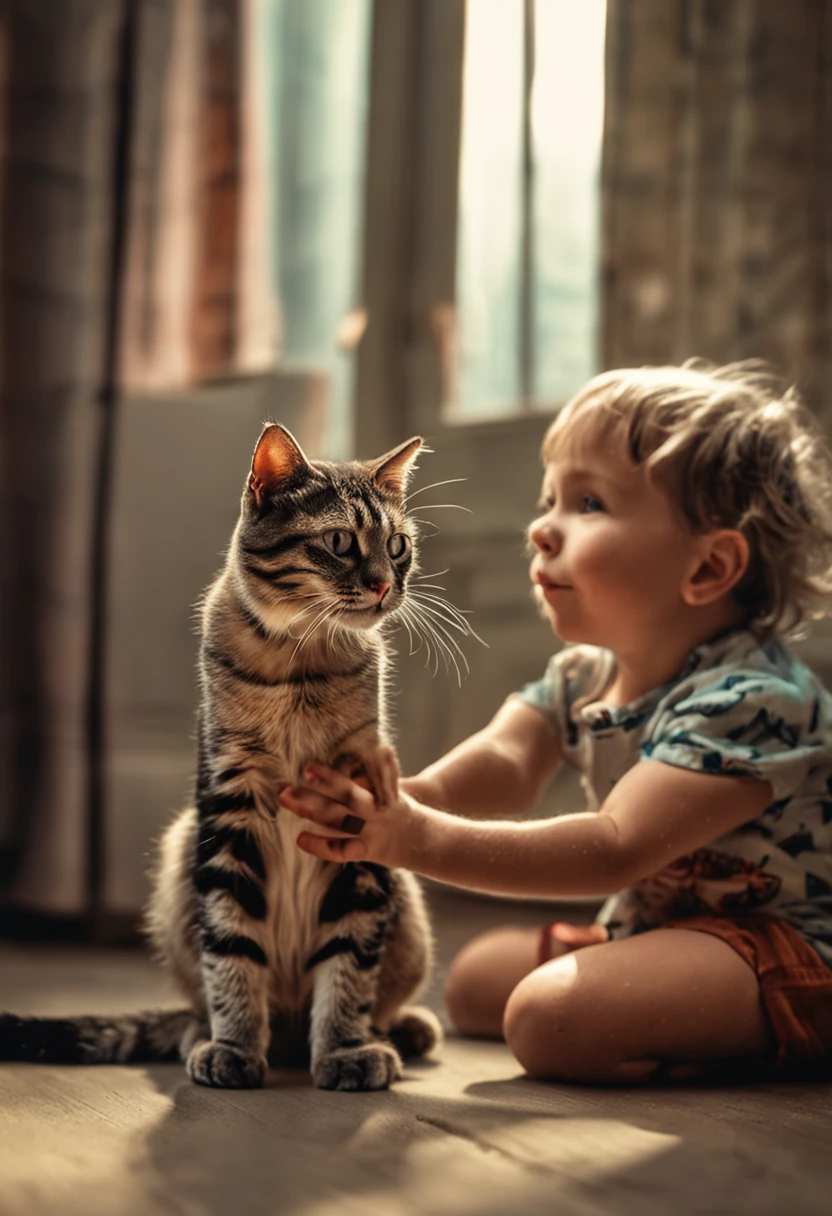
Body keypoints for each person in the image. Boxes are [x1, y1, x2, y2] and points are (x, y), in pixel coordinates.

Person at [278, 360, 832, 1084]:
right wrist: (399, 802)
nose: (542, 528)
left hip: (791, 946)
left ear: (707, 568)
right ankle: (665, 1008)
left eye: (589, 503)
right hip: (666, 928)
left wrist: (415, 840)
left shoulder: (754, 700)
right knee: (475, 983)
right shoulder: (583, 675)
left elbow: (614, 849)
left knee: (548, 1020)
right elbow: (508, 762)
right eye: (549, 499)